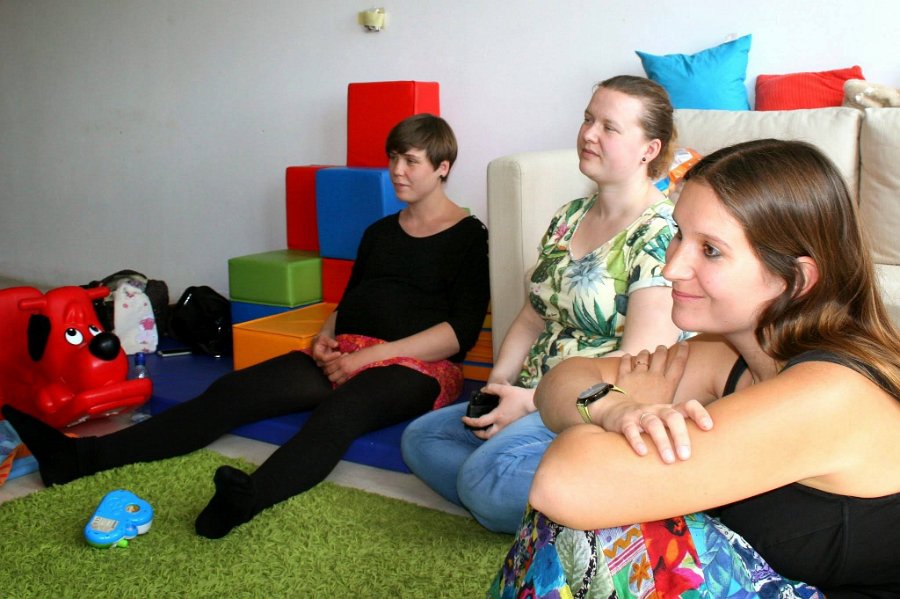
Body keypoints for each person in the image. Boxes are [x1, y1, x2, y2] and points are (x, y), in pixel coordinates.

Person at [3, 113, 491, 540]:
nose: (397, 170)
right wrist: (325, 336)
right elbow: (351, 301)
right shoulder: (379, 232)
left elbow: (459, 333)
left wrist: (369, 357)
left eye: (411, 161)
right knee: (231, 391)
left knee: (341, 413)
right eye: (393, 158)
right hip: (348, 349)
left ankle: (246, 500)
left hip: (418, 367)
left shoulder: (469, 237)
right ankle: (79, 459)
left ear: (442, 167)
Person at [489, 139, 900, 598]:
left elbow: (563, 484)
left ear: (795, 279)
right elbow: (562, 379)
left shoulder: (830, 393)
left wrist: (627, 410)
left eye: (711, 250)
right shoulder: (733, 355)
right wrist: (611, 409)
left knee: (603, 522)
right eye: (679, 234)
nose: (672, 268)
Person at [401, 75, 686, 534]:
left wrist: (533, 403)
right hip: (529, 394)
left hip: (592, 408)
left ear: (649, 150)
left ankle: (516, 490)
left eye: (609, 127)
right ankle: (550, 503)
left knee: (484, 482)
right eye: (588, 119)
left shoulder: (662, 234)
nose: (589, 134)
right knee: (421, 437)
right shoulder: (568, 217)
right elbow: (533, 316)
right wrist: (499, 385)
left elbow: (638, 362)